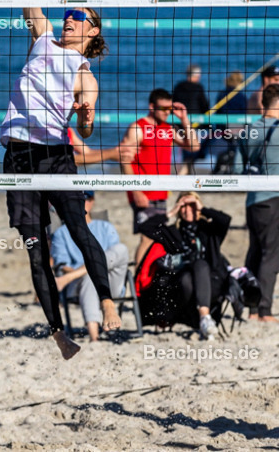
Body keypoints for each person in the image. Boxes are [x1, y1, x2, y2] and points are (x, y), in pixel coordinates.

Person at [0, 0, 120, 360]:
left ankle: (106, 299)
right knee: (36, 251)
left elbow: (85, 131)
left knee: (78, 228)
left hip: (55, 158)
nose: (69, 20)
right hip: (17, 157)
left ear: (91, 33)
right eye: (68, 14)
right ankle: (58, 334)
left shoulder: (86, 75)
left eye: (78, 18)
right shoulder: (42, 38)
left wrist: (86, 117)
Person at [233, 83, 279, 322]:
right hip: (275, 198)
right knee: (273, 256)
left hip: (252, 200)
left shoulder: (248, 130)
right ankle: (264, 311)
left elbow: (236, 169)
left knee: (255, 253)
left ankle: (250, 309)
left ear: (263, 103)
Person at [134, 192, 232, 340]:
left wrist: (202, 208)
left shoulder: (207, 230)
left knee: (200, 264)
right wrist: (170, 213)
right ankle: (204, 318)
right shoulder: (174, 233)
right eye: (183, 206)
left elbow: (225, 220)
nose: (187, 210)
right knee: (187, 276)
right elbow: (146, 227)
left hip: (212, 285)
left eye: (191, 206)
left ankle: (205, 317)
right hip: (183, 288)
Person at [122, 88, 199, 265]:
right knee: (147, 239)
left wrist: (184, 119)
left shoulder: (168, 129)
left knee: (159, 238)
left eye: (169, 109)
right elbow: (124, 160)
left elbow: (194, 146)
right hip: (143, 193)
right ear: (151, 106)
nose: (166, 113)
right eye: (163, 108)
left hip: (161, 192)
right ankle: (138, 282)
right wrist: (136, 191)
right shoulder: (137, 128)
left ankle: (148, 279)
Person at [52, 192, 130, 341]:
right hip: (79, 285)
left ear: (92, 201)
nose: (82, 203)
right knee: (90, 276)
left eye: (86, 198)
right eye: (77, 199)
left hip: (110, 282)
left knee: (121, 249)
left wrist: (77, 273)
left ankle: (82, 276)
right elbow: (62, 265)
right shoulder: (61, 233)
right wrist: (88, 271)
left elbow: (114, 258)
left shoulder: (105, 227)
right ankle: (95, 337)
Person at [173, 65, 211, 175]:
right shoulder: (198, 88)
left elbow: (173, 105)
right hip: (195, 126)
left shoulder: (178, 87)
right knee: (191, 154)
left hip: (180, 125)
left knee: (186, 153)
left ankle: (184, 176)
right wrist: (209, 124)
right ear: (196, 75)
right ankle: (182, 176)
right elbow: (205, 106)